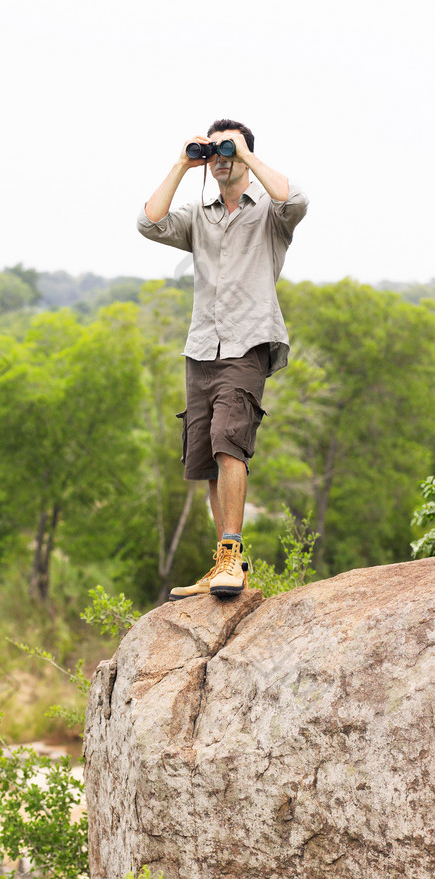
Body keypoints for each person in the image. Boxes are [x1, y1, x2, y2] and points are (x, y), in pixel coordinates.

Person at [137, 118, 308, 599]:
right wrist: (183, 162)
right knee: (208, 455)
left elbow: (296, 199)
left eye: (227, 150)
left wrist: (244, 153)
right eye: (214, 152)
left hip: (248, 343)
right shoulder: (199, 214)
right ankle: (223, 563)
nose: (220, 159)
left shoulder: (269, 215)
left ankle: (233, 556)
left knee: (230, 440)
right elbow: (149, 221)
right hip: (201, 347)